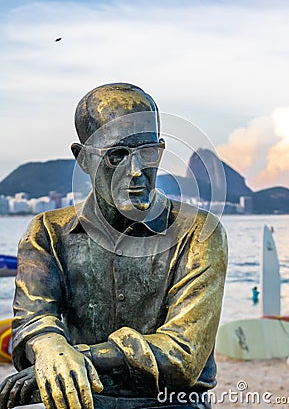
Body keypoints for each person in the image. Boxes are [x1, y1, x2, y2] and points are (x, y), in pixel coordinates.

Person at [0, 83, 227, 409]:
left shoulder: (198, 232)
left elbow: (184, 354)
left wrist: (79, 355)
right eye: (116, 155)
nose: (136, 171)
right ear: (83, 160)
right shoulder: (48, 232)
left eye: (147, 152)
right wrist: (49, 345)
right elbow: (33, 320)